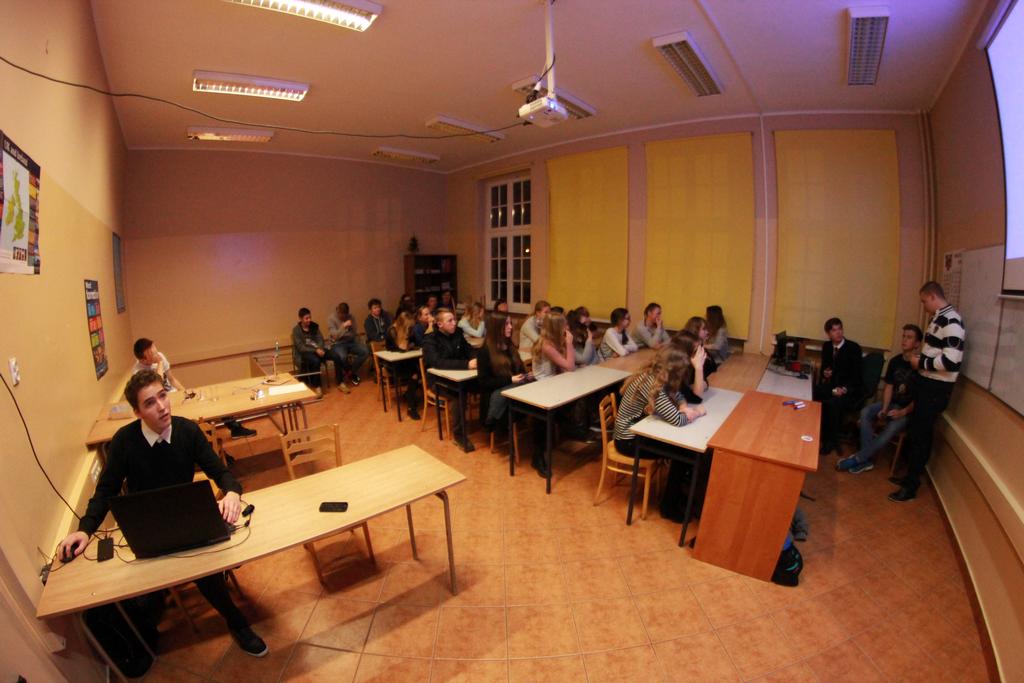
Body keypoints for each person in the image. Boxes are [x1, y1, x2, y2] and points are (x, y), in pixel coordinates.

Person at [58, 371, 268, 657]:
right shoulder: (123, 442)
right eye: (150, 403)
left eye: (163, 396)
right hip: (149, 527)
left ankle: (236, 621)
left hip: (187, 519)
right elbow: (105, 491)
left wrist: (232, 492)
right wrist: (85, 530)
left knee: (204, 570)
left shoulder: (187, 431)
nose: (162, 407)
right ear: (137, 412)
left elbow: (221, 473)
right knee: (139, 588)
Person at [613, 339, 707, 520]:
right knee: (684, 453)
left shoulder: (655, 374)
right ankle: (669, 507)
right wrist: (697, 412)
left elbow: (676, 393)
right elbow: (678, 420)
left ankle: (678, 494)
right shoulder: (651, 384)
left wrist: (683, 405)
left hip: (637, 432)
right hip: (628, 441)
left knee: (685, 451)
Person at [889, 282, 965, 502]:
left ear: (932, 297)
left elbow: (951, 362)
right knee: (915, 433)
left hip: (936, 388)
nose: (923, 306)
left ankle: (911, 486)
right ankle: (908, 477)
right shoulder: (938, 318)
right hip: (926, 384)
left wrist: (921, 362)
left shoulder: (952, 321)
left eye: (924, 301)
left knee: (921, 437)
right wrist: (922, 361)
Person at [838, 324, 923, 474]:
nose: (904, 340)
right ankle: (867, 460)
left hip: (907, 410)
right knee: (865, 412)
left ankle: (859, 458)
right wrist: (884, 408)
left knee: (890, 428)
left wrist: (902, 412)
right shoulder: (895, 361)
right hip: (891, 404)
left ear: (917, 344)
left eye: (909, 337)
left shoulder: (921, 367)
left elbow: (920, 397)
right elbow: (889, 386)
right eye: (903, 336)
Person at [132, 338, 255, 438]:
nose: (156, 355)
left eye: (155, 351)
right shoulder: (138, 372)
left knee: (211, 401)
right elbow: (156, 385)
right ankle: (211, 444)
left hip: (176, 395)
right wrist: (159, 364)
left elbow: (172, 379)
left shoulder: (160, 356)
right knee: (197, 421)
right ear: (143, 359)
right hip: (166, 403)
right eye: (152, 354)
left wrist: (185, 392)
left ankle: (235, 428)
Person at [423, 310, 478, 450]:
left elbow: (469, 349)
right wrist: (466, 364)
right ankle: (459, 435)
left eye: (454, 319)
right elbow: (438, 362)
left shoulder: (457, 333)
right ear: (439, 324)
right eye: (450, 321)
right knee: (458, 394)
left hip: (460, 377)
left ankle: (487, 423)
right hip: (438, 380)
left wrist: (475, 358)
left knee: (487, 382)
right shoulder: (430, 339)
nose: (455, 323)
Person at [812, 317, 863, 456]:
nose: (838, 332)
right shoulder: (827, 346)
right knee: (812, 392)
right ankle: (814, 432)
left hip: (849, 390)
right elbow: (825, 369)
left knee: (831, 403)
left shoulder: (853, 348)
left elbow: (856, 377)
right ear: (829, 334)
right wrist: (825, 373)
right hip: (832, 387)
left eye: (840, 329)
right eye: (834, 330)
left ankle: (829, 441)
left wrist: (844, 389)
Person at [477, 312, 528, 432]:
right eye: (506, 324)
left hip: (514, 390)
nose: (510, 327)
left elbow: (519, 369)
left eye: (510, 323)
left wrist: (525, 375)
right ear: (496, 327)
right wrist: (510, 379)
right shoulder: (485, 351)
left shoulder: (510, 345)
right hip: (497, 398)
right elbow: (484, 382)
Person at [291, 308, 341, 393]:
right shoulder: (296, 330)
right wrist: (315, 350)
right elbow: (301, 347)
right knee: (315, 361)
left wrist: (320, 348)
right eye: (306, 318)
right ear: (300, 319)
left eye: (310, 317)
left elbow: (320, 339)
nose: (309, 320)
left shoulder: (314, 326)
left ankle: (340, 381)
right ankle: (318, 386)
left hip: (318, 349)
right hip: (306, 352)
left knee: (336, 356)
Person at [384, 311, 423, 420]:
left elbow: (416, 343)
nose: (410, 329)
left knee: (423, 370)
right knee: (414, 375)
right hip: (394, 364)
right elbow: (402, 348)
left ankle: (409, 394)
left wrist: (410, 342)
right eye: (408, 326)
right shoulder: (392, 331)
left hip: (407, 361)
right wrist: (406, 338)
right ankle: (411, 408)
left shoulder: (408, 329)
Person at [327, 302, 369, 391]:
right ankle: (346, 375)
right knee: (342, 357)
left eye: (345, 315)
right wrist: (343, 326)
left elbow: (353, 333)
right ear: (338, 311)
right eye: (341, 315)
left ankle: (350, 371)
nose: (343, 317)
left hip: (351, 342)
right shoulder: (331, 319)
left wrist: (341, 334)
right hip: (338, 344)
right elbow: (335, 336)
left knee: (365, 351)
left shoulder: (351, 317)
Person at [532, 311, 575, 380]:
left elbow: (566, 366)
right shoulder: (546, 346)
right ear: (556, 328)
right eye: (564, 325)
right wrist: (569, 343)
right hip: (543, 381)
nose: (567, 328)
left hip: (553, 378)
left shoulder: (554, 341)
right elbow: (570, 367)